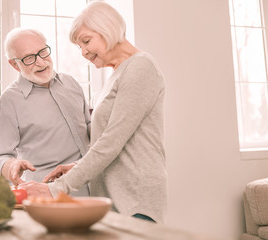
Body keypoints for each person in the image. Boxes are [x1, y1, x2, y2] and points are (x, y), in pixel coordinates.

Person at [18, 1, 167, 223]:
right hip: (113, 198)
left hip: (134, 200)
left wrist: (55, 189)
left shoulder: (141, 67)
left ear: (108, 28)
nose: (84, 52)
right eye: (79, 46)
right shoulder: (117, 73)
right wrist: (77, 167)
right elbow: (115, 142)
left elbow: (111, 142)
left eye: (86, 41)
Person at [0, 28, 91, 197]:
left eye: (43, 52)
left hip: (96, 192)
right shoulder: (8, 103)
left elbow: (89, 126)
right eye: (29, 58)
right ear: (14, 64)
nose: (41, 62)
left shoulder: (71, 83)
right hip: (48, 198)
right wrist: (11, 165)